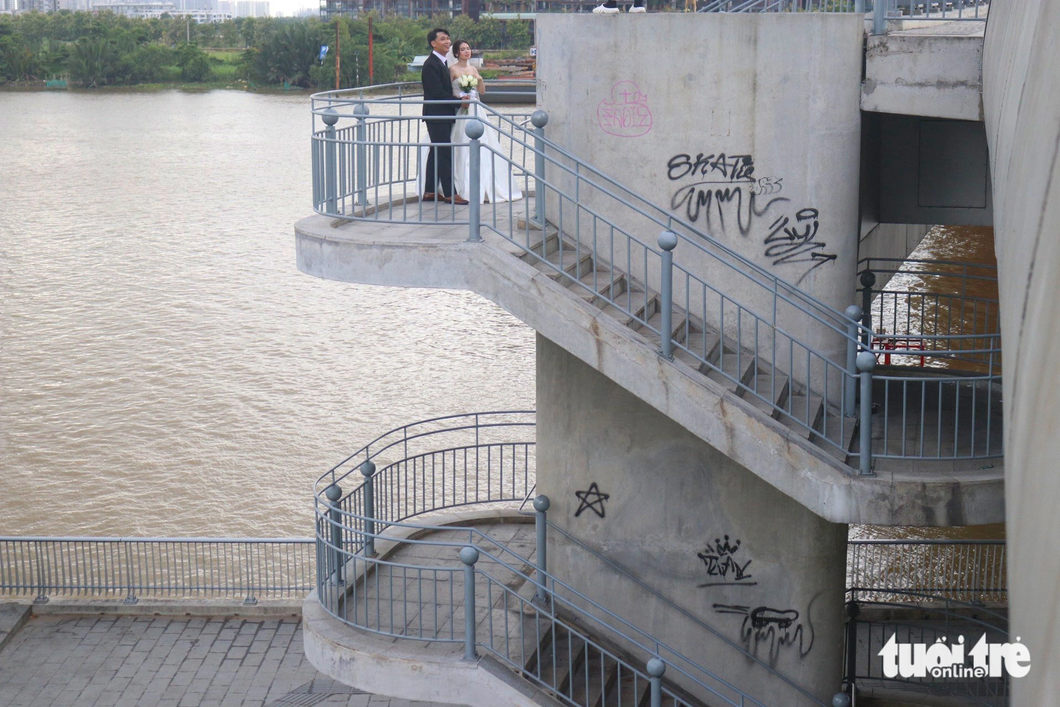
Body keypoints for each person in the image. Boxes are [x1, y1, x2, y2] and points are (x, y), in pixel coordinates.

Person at [448, 40, 523, 205]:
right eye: (463, 49)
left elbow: (481, 92)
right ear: (456, 53)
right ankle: (463, 185)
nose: (467, 51)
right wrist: (461, 99)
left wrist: (480, 80)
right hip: (463, 109)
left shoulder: (473, 69)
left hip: (477, 108)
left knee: (486, 143)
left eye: (468, 49)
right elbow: (449, 92)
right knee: (463, 144)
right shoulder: (452, 70)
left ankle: (488, 183)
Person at [421, 28, 468, 205]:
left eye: (448, 38)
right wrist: (458, 101)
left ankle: (430, 191)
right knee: (444, 153)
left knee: (436, 152)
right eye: (443, 39)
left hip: (441, 114)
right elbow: (437, 93)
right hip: (437, 115)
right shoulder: (431, 64)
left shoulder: (441, 62)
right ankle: (450, 194)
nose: (447, 42)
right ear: (434, 43)